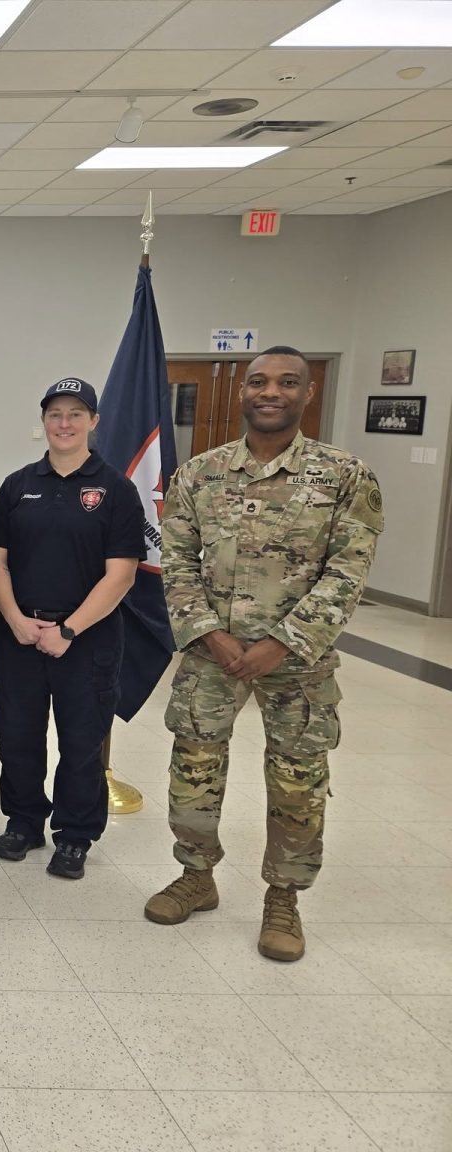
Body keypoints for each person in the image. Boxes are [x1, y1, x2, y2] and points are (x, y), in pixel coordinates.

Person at [144, 346, 382, 962]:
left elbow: (348, 573)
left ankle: (284, 897)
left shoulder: (345, 476)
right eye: (257, 382)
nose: (269, 391)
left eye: (285, 382)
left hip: (298, 662)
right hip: (210, 655)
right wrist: (210, 634)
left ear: (307, 394)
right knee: (193, 768)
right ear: (242, 393)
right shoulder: (199, 474)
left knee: (297, 778)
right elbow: (175, 564)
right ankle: (197, 875)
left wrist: (282, 643)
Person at [0, 378, 144, 880]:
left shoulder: (116, 489)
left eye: (76, 414)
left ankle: (75, 835)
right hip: (20, 634)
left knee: (80, 741)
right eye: (55, 414)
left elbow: (121, 574)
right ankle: (25, 820)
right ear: (44, 422)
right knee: (17, 734)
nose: (65, 423)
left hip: (87, 639)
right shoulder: (17, 485)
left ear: (93, 422)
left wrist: (68, 631)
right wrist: (14, 618)